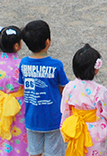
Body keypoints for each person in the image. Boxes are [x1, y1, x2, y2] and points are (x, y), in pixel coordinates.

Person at [19, 20, 69, 156]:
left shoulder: (23, 63)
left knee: (34, 152)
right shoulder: (56, 65)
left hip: (32, 117)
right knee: (55, 152)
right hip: (53, 118)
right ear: (47, 42)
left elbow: (22, 85)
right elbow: (63, 89)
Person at [60, 44, 107, 156]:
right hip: (94, 131)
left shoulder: (69, 87)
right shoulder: (100, 91)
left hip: (75, 128)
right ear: (96, 69)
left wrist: (64, 126)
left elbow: (65, 110)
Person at [0, 25, 27, 156]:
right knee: (20, 138)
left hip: (1, 104)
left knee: (2, 136)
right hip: (19, 106)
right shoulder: (22, 64)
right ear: (17, 46)